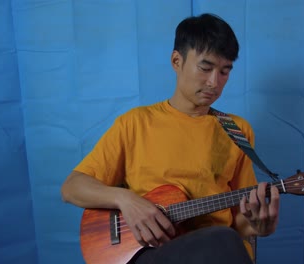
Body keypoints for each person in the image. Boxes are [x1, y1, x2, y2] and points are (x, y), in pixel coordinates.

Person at [61, 13, 280, 264]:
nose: (214, 82)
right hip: (150, 251)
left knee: (225, 238)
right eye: (206, 68)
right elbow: (72, 188)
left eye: (224, 72)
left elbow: (240, 220)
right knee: (224, 239)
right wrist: (126, 200)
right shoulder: (135, 123)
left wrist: (258, 227)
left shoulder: (237, 130)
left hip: (216, 252)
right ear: (177, 61)